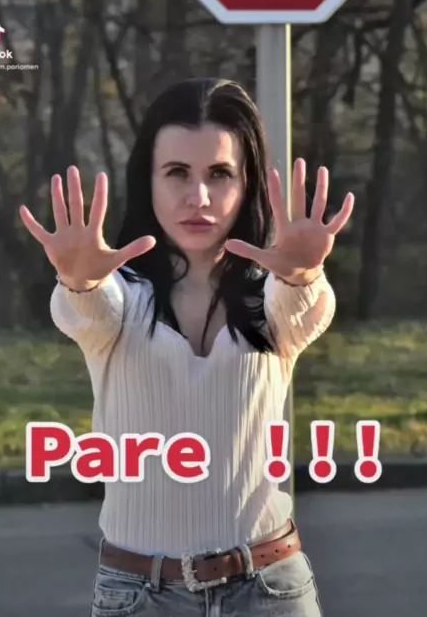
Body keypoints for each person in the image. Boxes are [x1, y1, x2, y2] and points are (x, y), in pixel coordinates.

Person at [20, 78, 354, 617]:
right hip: (138, 595)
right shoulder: (120, 295)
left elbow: (304, 306)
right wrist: (79, 279)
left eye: (219, 174)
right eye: (177, 172)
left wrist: (303, 272)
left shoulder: (271, 294)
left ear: (247, 184)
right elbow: (87, 308)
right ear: (147, 180)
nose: (198, 197)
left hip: (268, 591)